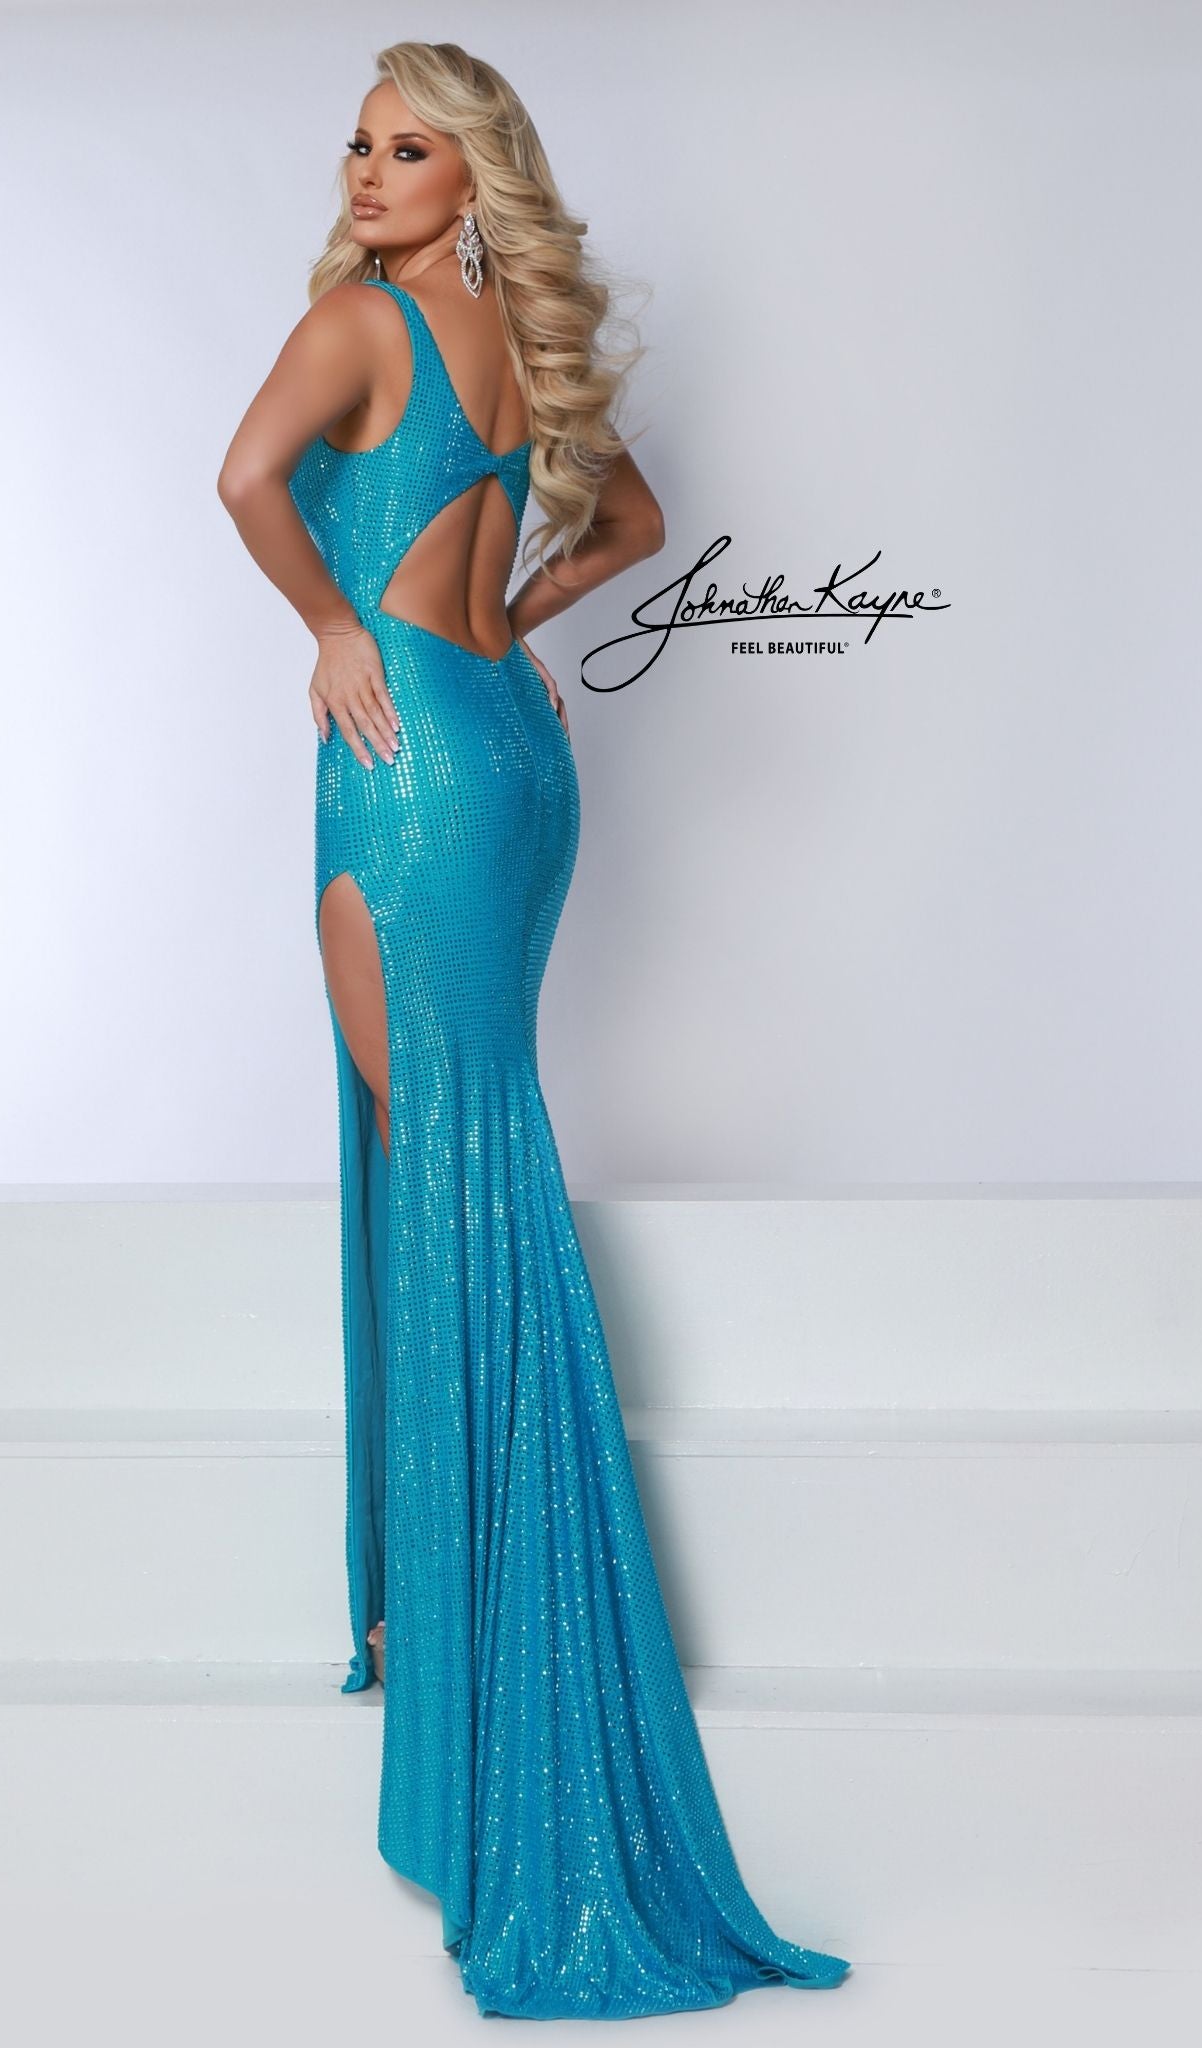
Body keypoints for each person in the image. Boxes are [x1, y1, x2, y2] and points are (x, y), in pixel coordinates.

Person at [217, 38, 851, 2021]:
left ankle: (481, 1667)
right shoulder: (515, 339)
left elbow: (241, 484)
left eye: (408, 148)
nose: (367, 171)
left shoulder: (358, 322)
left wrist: (336, 624)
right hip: (505, 745)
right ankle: (481, 1621)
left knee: (438, 1172)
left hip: (403, 764)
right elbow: (632, 518)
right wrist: (512, 630)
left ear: (473, 175)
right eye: (358, 143)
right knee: (469, 1154)